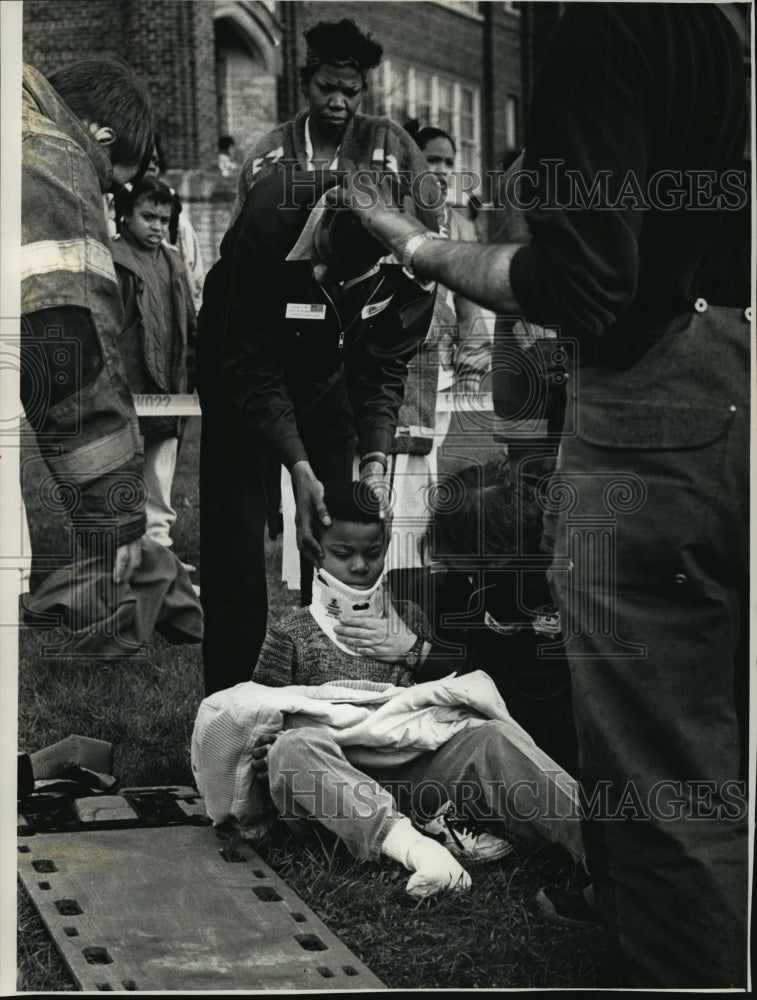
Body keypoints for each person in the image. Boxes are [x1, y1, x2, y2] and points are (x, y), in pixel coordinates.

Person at [337, 2, 750, 987]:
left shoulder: (602, 24)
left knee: (662, 767)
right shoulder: (708, 24)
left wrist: (419, 246)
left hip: (659, 396)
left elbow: (585, 282)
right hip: (726, 369)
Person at [196, 480, 586, 900]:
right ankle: (420, 851)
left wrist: (412, 649)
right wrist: (265, 745)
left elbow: (432, 710)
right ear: (315, 552)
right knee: (292, 749)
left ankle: (605, 847)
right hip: (334, 783)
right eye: (344, 555)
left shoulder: (411, 616)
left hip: (407, 769)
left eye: (373, 553)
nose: (360, 567)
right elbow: (262, 709)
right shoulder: (290, 633)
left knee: (491, 735)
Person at [196, 168, 438, 696]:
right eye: (323, 258)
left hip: (333, 367)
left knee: (335, 525)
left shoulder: (420, 256)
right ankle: (232, 707)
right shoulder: (270, 212)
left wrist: (375, 458)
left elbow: (383, 370)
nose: (325, 273)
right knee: (235, 541)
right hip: (239, 358)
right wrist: (294, 463)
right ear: (324, 218)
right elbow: (253, 369)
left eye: (344, 271)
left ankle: (330, 686)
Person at [21, 58, 153, 588]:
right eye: (110, 186)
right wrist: (114, 507)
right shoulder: (54, 155)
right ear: (99, 138)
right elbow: (70, 343)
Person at [419, 459, 578, 776]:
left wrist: (417, 651)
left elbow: (510, 697)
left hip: (543, 746)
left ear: (494, 558)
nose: (440, 560)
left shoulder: (539, 591)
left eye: (451, 559)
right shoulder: (472, 571)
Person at [229, 18, 436, 223]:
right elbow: (239, 239)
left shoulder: (390, 142)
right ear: (305, 85)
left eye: (350, 92)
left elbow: (435, 219)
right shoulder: (269, 152)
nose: (338, 102)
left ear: (363, 91)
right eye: (326, 88)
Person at [110, 177, 197, 553]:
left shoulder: (173, 261)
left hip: (169, 378)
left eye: (164, 219)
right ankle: (119, 543)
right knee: (121, 463)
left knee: (161, 462)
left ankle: (158, 545)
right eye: (148, 216)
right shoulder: (112, 260)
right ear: (125, 214)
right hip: (128, 379)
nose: (157, 226)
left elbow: (189, 318)